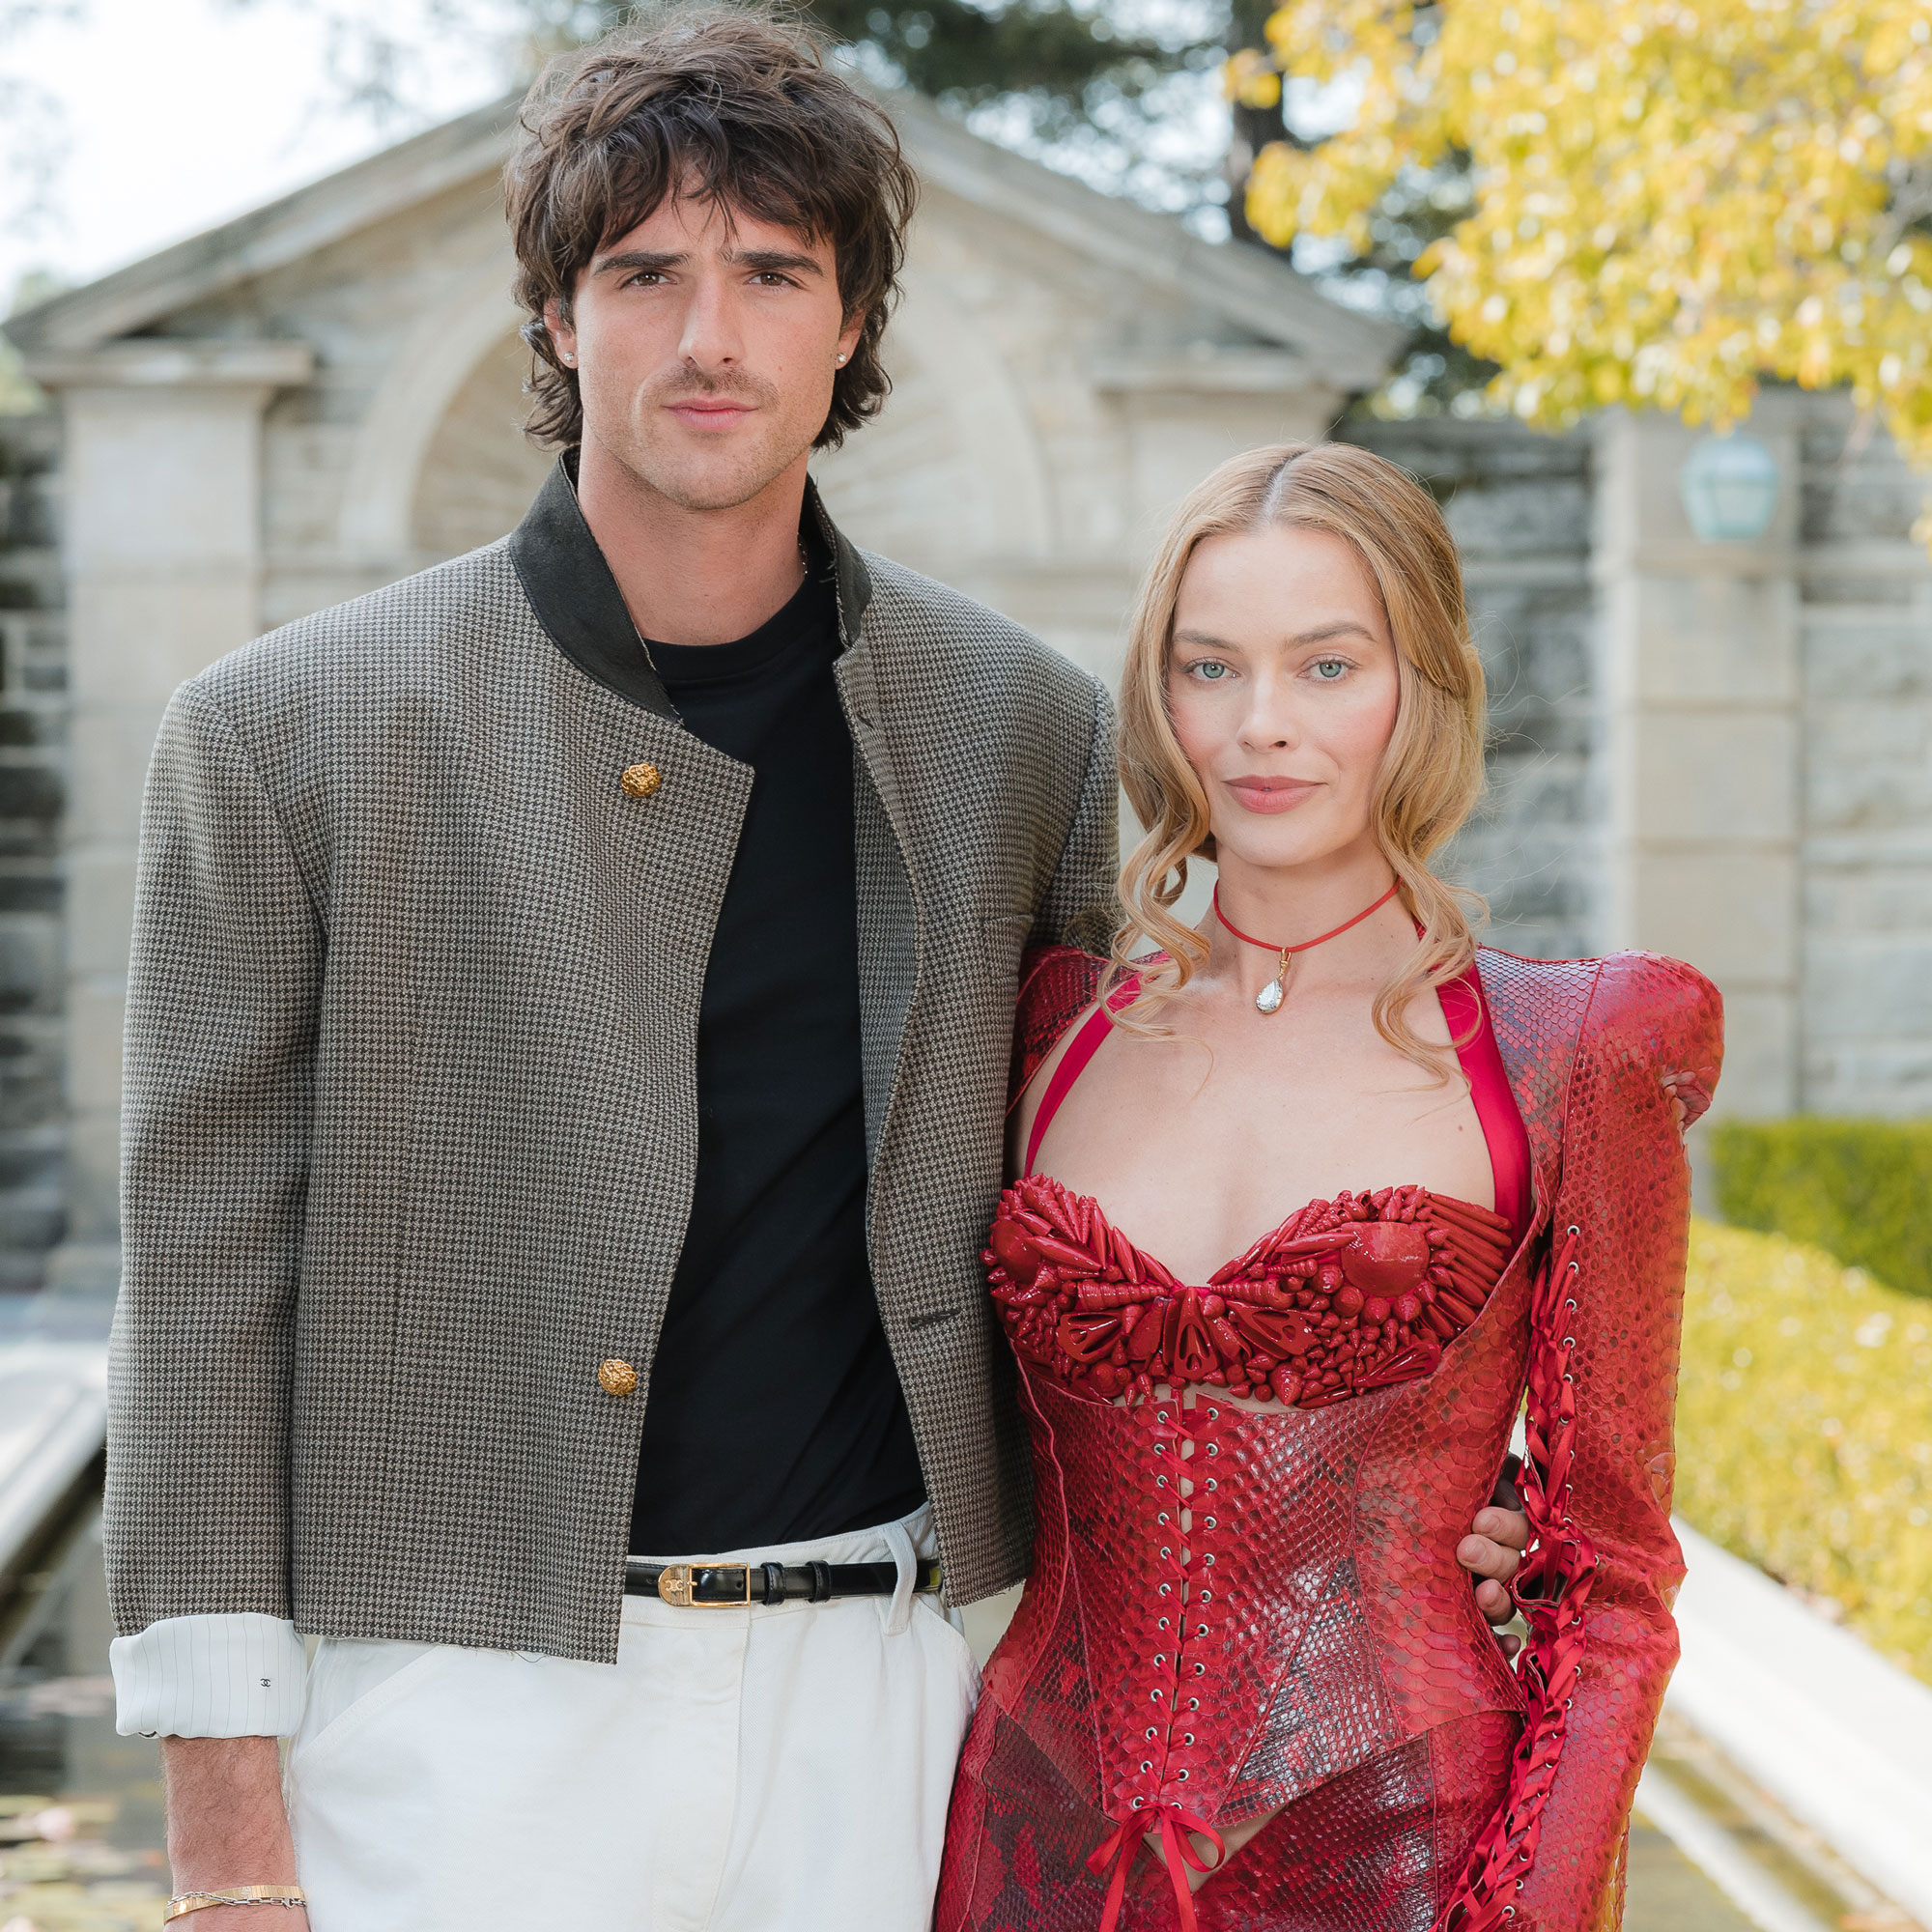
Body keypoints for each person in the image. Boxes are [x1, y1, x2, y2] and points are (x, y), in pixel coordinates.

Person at [103, 14, 1532, 1931]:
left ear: (851, 323)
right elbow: (200, 1292)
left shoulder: (1012, 728)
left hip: (895, 1708)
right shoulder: (283, 735)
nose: (713, 336)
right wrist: (225, 1854)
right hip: (451, 1727)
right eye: (645, 276)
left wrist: (1416, 1484)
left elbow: (1120, 1203)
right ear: (553, 317)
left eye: (775, 274)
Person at [937, 441, 1723, 1932]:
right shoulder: (1048, 1025)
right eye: (1210, 668)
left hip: (1396, 1858)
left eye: (1326, 666)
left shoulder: (1564, 1054)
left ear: (1420, 685)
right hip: (1025, 1845)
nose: (1261, 729)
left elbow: (1611, 1590)